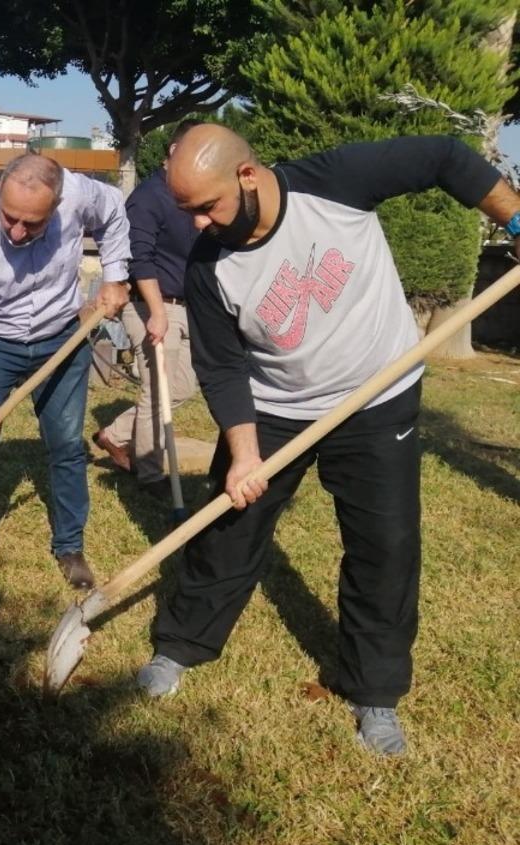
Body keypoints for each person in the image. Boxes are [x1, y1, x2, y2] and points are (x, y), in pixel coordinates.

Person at [136, 124, 520, 756]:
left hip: (378, 392)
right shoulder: (207, 266)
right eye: (188, 212)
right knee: (230, 526)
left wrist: (514, 221)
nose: (199, 225)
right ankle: (180, 647)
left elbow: (444, 155)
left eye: (208, 207)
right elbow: (222, 365)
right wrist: (244, 452)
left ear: (248, 176)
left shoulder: (335, 181)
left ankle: (374, 691)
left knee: (385, 544)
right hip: (278, 405)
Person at [0, 153, 131, 600]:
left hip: (62, 337)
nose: (16, 231)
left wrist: (116, 275)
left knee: (66, 445)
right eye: (10, 218)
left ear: (59, 204)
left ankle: (70, 547)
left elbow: (116, 212)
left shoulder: (80, 195)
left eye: (31, 223)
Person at [93, 119, 202, 495]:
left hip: (188, 307)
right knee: (157, 389)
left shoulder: (191, 197)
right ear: (174, 151)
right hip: (151, 306)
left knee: (185, 383)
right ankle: (150, 473)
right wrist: (156, 311)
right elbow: (139, 258)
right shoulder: (148, 197)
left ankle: (114, 434)